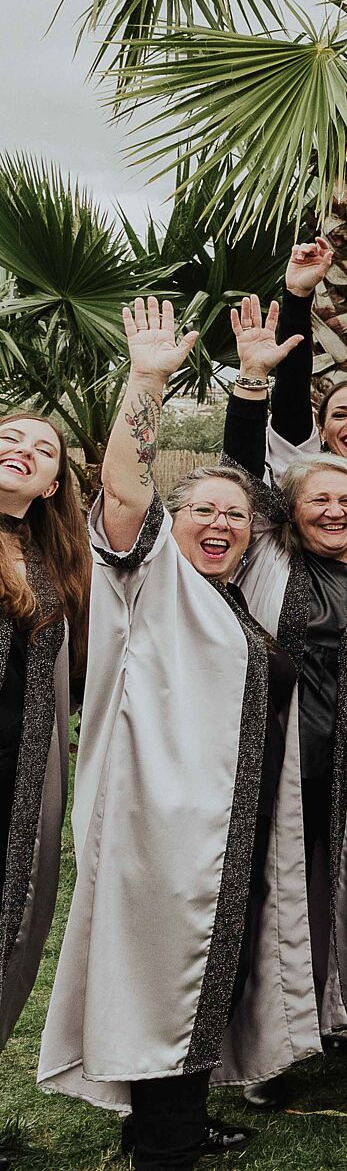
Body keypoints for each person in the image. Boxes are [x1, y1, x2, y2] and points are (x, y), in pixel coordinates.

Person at [40, 300, 311, 1168]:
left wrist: (259, 382)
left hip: (227, 824)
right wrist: (146, 383)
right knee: (161, 974)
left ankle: (172, 1123)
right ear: (176, 519)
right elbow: (125, 486)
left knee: (204, 971)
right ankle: (161, 1144)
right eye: (204, 510)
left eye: (236, 514)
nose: (221, 524)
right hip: (159, 826)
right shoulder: (146, 572)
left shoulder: (238, 598)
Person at [221, 298, 347, 1116]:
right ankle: (270, 1046)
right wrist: (255, 379)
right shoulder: (266, 560)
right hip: (280, 760)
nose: (335, 510)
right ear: (290, 511)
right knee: (276, 896)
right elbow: (240, 465)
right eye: (318, 499)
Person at [0, 411, 88, 1060]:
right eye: (8, 437)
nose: (23, 450)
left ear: (52, 485)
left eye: (43, 449)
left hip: (21, 777)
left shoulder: (53, 567)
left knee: (11, 925)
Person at [262, 238, 347, 545]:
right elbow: (292, 394)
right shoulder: (300, 481)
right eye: (340, 413)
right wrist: (298, 296)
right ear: (321, 432)